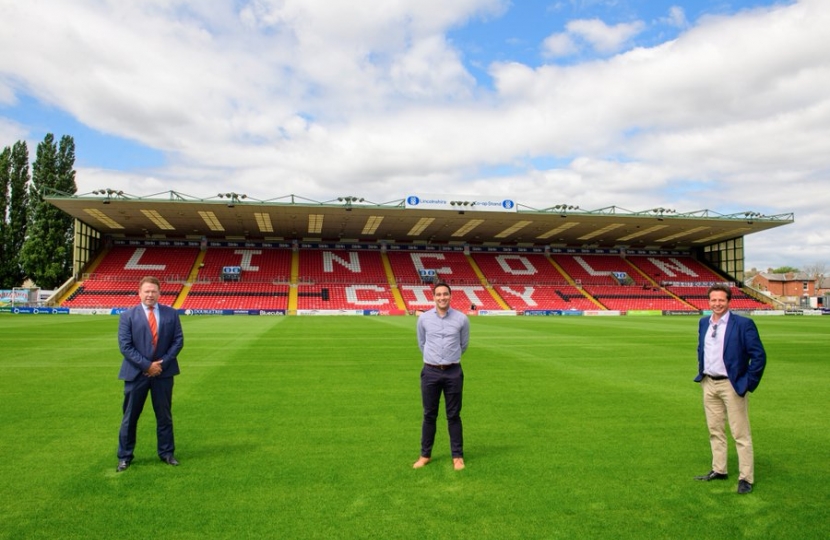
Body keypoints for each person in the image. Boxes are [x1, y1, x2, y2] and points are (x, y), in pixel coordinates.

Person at [694, 283, 766, 494]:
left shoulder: (743, 324)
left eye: (721, 300)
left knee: (740, 433)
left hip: (732, 384)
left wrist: (747, 383)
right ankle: (719, 469)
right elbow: (702, 349)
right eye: (713, 300)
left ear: (728, 301)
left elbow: (759, 356)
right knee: (715, 430)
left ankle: (746, 478)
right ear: (709, 301)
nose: (717, 304)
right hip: (709, 383)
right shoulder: (703, 323)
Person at [116, 276, 184, 472]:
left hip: (163, 373)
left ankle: (167, 453)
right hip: (136, 374)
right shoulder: (127, 316)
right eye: (146, 291)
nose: (150, 294)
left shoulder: (171, 314)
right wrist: (147, 365)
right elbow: (125, 346)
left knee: (164, 416)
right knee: (130, 417)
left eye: (153, 291)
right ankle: (125, 456)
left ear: (159, 293)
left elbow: (178, 341)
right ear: (139, 293)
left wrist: (161, 364)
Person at [413, 282, 470, 471]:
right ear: (434, 297)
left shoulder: (461, 319)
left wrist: (449, 358)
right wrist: (434, 359)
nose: (442, 297)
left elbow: (464, 344)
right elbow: (422, 342)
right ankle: (425, 455)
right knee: (429, 414)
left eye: (445, 294)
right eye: (438, 294)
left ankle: (457, 456)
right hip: (430, 371)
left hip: (453, 371)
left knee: (454, 415)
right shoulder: (424, 319)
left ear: (450, 296)